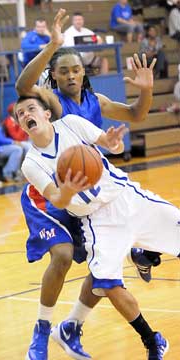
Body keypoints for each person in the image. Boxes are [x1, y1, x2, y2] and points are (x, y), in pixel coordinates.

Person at [15, 8, 164, 360]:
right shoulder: (53, 103)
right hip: (47, 191)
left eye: (76, 69)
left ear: (85, 72)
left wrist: (146, 91)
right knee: (64, 256)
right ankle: (41, 331)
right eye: (63, 70)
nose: (70, 75)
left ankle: (72, 327)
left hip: (86, 191)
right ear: (53, 74)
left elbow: (136, 115)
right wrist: (53, 44)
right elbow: (24, 87)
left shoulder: (96, 102)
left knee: (101, 266)